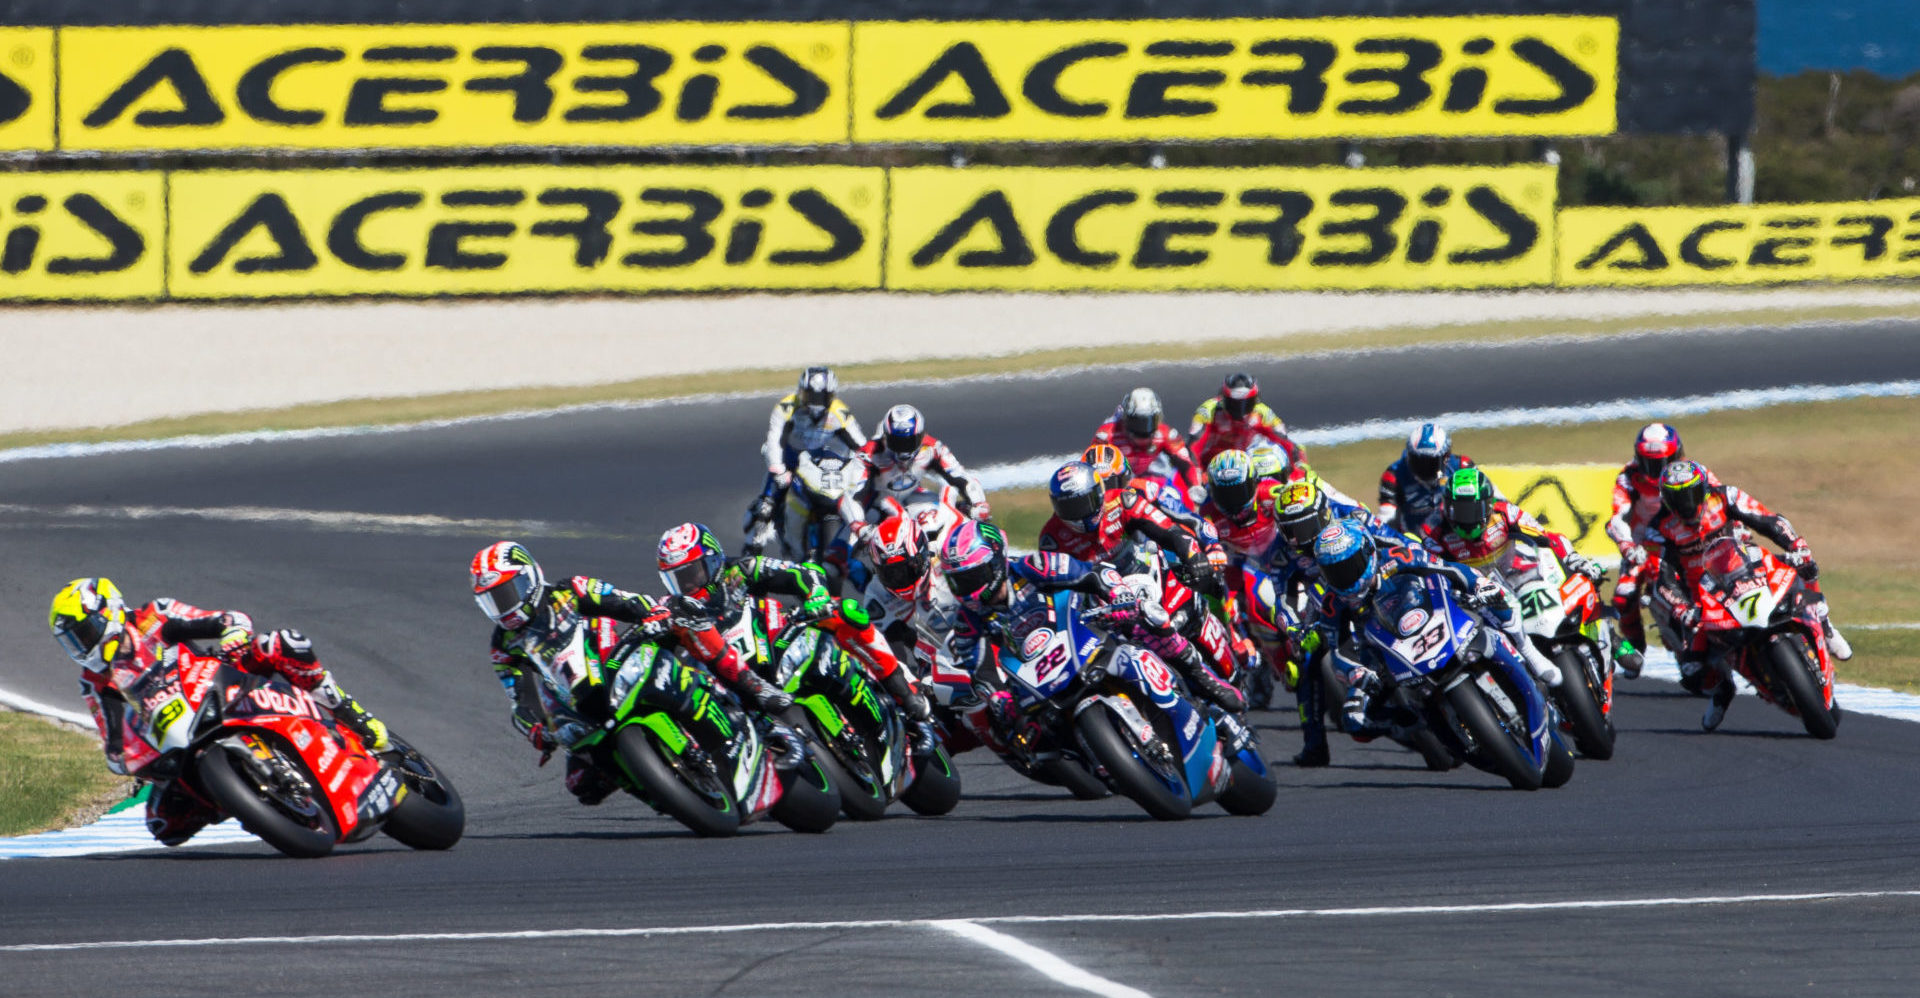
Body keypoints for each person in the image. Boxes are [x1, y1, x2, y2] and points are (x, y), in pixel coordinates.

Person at [49, 578, 389, 846]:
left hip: (222, 680)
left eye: (84, 634)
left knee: (284, 643)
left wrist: (233, 637)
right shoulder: (94, 682)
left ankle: (347, 711)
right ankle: (245, 798)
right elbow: (115, 743)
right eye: (73, 643)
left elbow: (228, 619)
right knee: (163, 824)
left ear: (109, 611)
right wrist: (134, 762)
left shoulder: (154, 616)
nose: (82, 647)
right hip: (180, 730)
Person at [472, 539, 809, 805]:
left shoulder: (570, 590)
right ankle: (666, 793)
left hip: (620, 661)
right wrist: (537, 731)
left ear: (528, 578)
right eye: (491, 601)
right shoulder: (504, 645)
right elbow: (520, 701)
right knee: (581, 786)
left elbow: (627, 602)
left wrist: (654, 615)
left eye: (505, 594)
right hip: (582, 703)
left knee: (686, 619)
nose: (502, 608)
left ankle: (753, 689)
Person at [940, 520, 1250, 756]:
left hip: (1085, 631)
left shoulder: (1032, 567)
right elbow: (977, 668)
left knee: (1147, 621)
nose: (967, 589)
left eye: (972, 577)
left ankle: (1201, 681)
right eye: (958, 581)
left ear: (995, 562)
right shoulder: (968, 620)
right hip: (1038, 677)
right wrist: (997, 697)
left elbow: (1092, 573)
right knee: (1018, 727)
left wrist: (1119, 595)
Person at [656, 524, 939, 754]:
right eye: (678, 579)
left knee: (846, 613)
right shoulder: (675, 609)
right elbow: (655, 644)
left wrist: (815, 595)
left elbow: (803, 572)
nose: (688, 585)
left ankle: (904, 691)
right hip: (734, 680)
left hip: (776, 642)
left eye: (692, 574)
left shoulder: (741, 570)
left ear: (713, 560)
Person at [1643, 461, 1852, 730]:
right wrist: (1683, 608)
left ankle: (1823, 622)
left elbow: (1768, 520)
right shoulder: (1659, 528)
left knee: (1803, 566)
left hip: (1747, 569)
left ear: (1704, 490)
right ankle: (1724, 687)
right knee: (1693, 672)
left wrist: (1793, 544)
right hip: (1705, 598)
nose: (1685, 504)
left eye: (1690, 495)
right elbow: (1662, 577)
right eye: (1677, 498)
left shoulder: (1725, 496)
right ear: (1666, 500)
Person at [1305, 523, 1555, 742]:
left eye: (1350, 566)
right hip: (1381, 652)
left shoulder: (1397, 557)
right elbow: (1337, 650)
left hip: (1430, 612)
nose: (1344, 578)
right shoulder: (1332, 603)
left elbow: (1449, 569)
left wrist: (1477, 585)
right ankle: (1417, 727)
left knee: (1493, 602)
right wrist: (1355, 673)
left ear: (1369, 553)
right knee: (1354, 721)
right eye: (1334, 572)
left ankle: (1526, 653)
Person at [1037, 461, 1243, 709]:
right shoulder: (1052, 538)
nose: (1079, 513)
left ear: (1099, 493)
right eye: (1069, 507)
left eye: (1084, 503)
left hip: (1157, 580)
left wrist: (1194, 557)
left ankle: (1232, 640)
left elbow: (1170, 531)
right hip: (1112, 609)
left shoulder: (1123, 502)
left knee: (1211, 584)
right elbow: (1057, 591)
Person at [1423, 468, 1644, 675]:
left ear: (1488, 505)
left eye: (1473, 510)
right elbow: (1432, 573)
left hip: (1521, 574)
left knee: (1578, 582)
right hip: (1481, 595)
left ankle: (1612, 638)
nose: (1467, 518)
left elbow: (1547, 536)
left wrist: (1572, 558)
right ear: (1447, 508)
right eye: (1459, 510)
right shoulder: (1436, 534)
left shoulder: (1505, 513)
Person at [1263, 480, 1415, 765]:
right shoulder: (1282, 553)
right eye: (1290, 530)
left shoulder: (1348, 512)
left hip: (1376, 579)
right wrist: (1295, 630)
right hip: (1329, 603)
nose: (1298, 538)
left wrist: (1410, 549)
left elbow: (1389, 536)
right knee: (1303, 662)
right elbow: (1283, 599)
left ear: (1323, 515)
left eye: (1305, 527)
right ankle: (1315, 744)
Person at [1604, 423, 1717, 676]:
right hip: (1646, 548)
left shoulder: (1694, 472)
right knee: (1624, 594)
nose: (1658, 470)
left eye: (1664, 461)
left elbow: (1721, 498)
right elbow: (1618, 517)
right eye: (1651, 463)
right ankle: (1635, 647)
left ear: (1677, 455)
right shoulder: (1628, 478)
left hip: (1689, 539)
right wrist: (1627, 545)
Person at [748, 366, 867, 545]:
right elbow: (774, 440)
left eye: (821, 397)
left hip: (822, 462)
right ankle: (752, 548)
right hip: (791, 460)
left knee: (859, 497)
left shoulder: (840, 413)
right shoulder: (786, 407)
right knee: (763, 511)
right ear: (801, 392)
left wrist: (863, 469)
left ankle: (856, 539)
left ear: (831, 396)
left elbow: (862, 446)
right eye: (811, 396)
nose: (815, 403)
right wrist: (778, 470)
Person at [860, 404, 990, 520]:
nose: (904, 448)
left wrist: (978, 503)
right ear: (886, 437)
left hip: (910, 499)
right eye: (897, 442)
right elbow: (854, 490)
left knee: (947, 515)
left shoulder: (932, 448)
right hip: (877, 506)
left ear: (921, 435)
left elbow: (959, 475)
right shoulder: (871, 452)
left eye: (910, 441)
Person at [1090, 387, 1205, 506]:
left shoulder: (1166, 434)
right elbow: (1092, 467)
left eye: (1149, 421)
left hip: (1150, 480)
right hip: (1118, 485)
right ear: (1126, 418)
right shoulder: (1107, 435)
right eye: (1137, 422)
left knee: (1176, 495)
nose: (1143, 429)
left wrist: (1195, 487)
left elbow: (1186, 463)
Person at [1378, 422, 1482, 534]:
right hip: (1413, 541)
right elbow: (1386, 518)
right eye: (1418, 461)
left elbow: (1492, 498)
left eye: (1431, 462)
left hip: (1456, 536)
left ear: (1445, 457)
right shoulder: (1393, 476)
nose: (1424, 468)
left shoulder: (1463, 467)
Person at [1188, 373, 1306, 470]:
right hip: (1209, 466)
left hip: (1247, 466)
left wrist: (1299, 470)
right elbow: (1192, 447)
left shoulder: (1263, 413)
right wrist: (1197, 476)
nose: (1240, 410)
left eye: (1246, 404)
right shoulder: (1207, 412)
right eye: (1234, 404)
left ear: (1255, 400)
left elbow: (1289, 445)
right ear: (1224, 398)